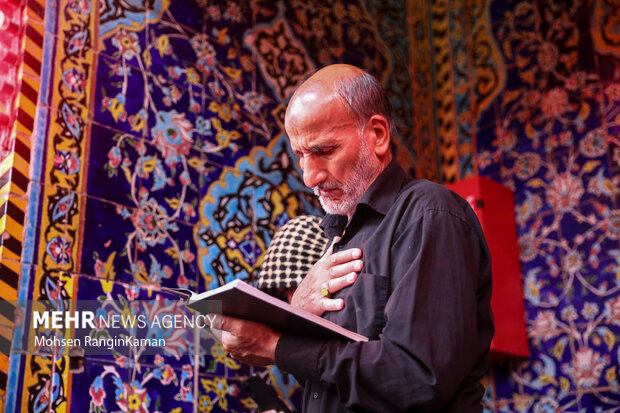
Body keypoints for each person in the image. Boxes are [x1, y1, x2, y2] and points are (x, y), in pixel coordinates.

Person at [216, 64, 494, 412]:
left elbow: (418, 377)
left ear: (377, 134)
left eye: (324, 151)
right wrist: (295, 310)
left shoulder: (430, 213)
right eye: (301, 155)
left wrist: (277, 347)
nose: (310, 176)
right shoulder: (334, 238)